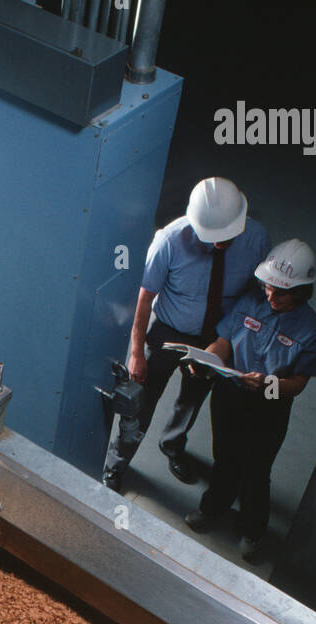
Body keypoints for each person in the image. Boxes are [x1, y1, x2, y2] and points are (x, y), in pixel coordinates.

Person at [104, 177, 269, 490]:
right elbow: (144, 298)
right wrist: (137, 353)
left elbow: (254, 296)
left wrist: (223, 342)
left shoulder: (257, 239)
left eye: (228, 237)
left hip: (216, 337)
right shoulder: (169, 240)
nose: (221, 244)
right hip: (168, 332)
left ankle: (172, 444)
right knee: (142, 402)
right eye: (214, 239)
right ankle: (116, 463)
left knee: (191, 400)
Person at [185, 239, 316, 562]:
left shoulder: (313, 331)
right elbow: (223, 341)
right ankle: (214, 508)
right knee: (224, 456)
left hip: (269, 407)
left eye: (281, 292)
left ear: (302, 291)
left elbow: (298, 385)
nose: (271, 296)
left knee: (256, 470)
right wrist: (207, 358)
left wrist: (268, 385)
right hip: (229, 395)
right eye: (268, 287)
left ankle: (252, 530)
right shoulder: (250, 301)